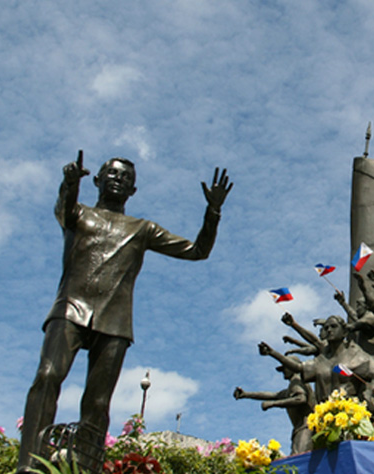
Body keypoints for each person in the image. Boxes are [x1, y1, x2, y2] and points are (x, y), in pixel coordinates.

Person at [17, 153, 232, 473]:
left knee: (98, 402)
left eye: (126, 178)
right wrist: (69, 184)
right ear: (97, 180)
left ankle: (85, 468)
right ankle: (28, 464)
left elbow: (198, 251)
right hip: (70, 308)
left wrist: (213, 211)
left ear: (133, 190)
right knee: (47, 377)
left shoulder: (142, 229)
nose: (119, 180)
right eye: (113, 174)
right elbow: (63, 209)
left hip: (114, 320)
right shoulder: (78, 214)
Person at [233, 365, 315, 455]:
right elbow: (271, 395)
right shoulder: (291, 389)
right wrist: (246, 394)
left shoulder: (296, 382)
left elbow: (301, 399)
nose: (283, 372)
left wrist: (273, 404)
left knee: (298, 457)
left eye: (285, 368)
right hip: (302, 427)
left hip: (306, 427)